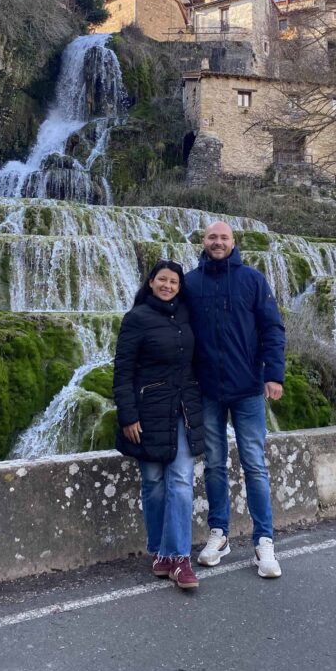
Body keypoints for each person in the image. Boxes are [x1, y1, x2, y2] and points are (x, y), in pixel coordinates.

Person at [185, 221, 286, 578]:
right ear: (203, 241)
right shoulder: (190, 283)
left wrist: (274, 374)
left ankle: (264, 541)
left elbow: (272, 328)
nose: (217, 242)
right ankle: (219, 534)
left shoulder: (252, 280)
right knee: (214, 464)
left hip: (247, 389)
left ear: (233, 242)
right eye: (212, 237)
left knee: (254, 464)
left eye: (223, 237)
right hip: (208, 389)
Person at [112, 260, 205, 590]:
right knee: (152, 482)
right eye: (162, 280)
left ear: (180, 287)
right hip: (148, 411)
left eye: (174, 282)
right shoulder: (136, 318)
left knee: (180, 480)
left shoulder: (187, 315)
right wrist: (128, 415)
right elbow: (122, 370)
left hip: (183, 409)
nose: (168, 286)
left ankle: (179, 558)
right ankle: (160, 552)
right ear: (151, 282)